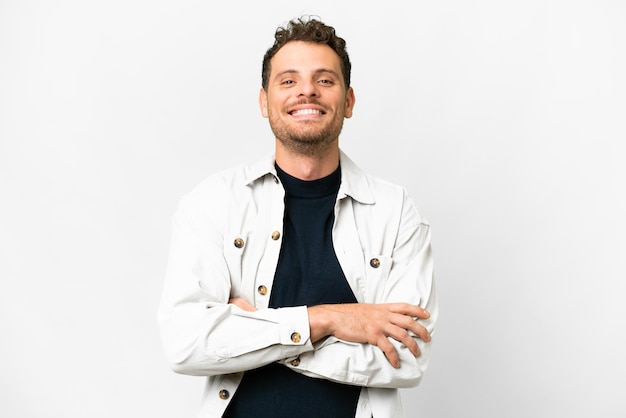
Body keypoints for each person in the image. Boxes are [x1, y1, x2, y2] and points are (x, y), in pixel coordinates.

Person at [158, 16, 437, 418]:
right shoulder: (214, 202)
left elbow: (409, 357)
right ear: (263, 101)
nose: (307, 90)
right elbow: (185, 344)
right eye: (288, 80)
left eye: (325, 80)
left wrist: (256, 336)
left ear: (349, 101)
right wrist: (330, 320)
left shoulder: (394, 212)